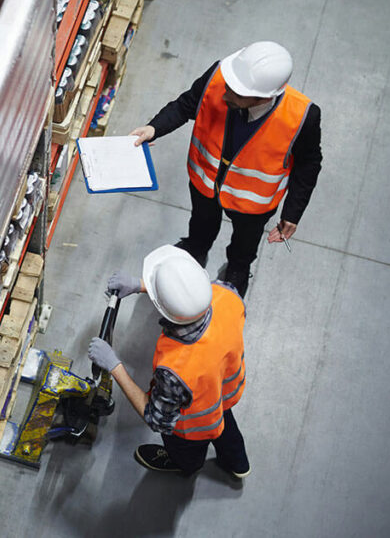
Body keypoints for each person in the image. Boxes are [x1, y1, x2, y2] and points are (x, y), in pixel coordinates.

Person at [130, 41, 322, 297]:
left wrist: (293, 212)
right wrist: (154, 128)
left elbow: (309, 164)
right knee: (200, 225)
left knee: (244, 246)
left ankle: (237, 271)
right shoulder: (221, 76)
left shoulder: (301, 116)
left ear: (265, 97)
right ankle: (196, 249)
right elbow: (187, 104)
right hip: (205, 184)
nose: (225, 95)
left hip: (252, 205)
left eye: (237, 94)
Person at [88, 245, 249, 478]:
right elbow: (188, 300)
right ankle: (238, 463)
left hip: (193, 426)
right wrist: (140, 285)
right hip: (224, 394)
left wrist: (114, 365)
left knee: (188, 451)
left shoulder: (176, 368)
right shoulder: (228, 294)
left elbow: (157, 419)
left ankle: (187, 465)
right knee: (226, 429)